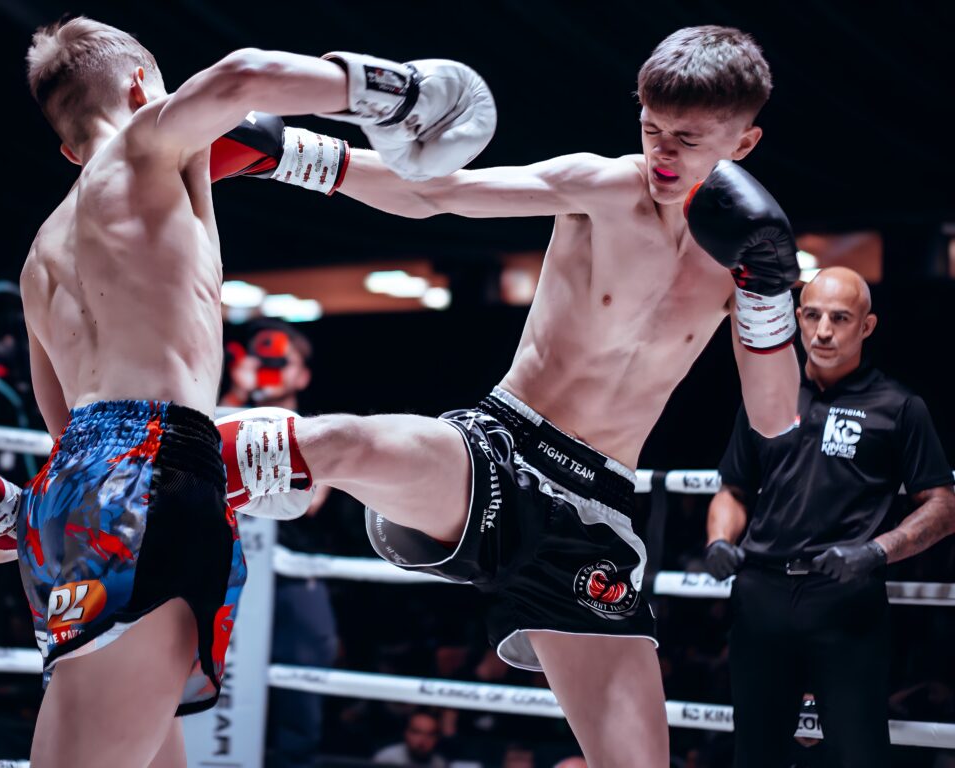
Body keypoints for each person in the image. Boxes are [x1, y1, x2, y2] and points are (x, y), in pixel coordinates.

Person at [216, 25, 802, 767]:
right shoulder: (604, 185)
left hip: (595, 512)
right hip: (501, 449)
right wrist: (290, 156)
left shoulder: (748, 258)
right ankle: (141, 480)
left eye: (687, 140)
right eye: (652, 128)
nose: (662, 153)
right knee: (337, 442)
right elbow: (439, 195)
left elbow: (773, 417)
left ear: (744, 143)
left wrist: (768, 294)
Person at [0, 16, 493, 767]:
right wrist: (395, 93)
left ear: (66, 149)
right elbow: (241, 76)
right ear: (144, 89)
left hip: (80, 493)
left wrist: (22, 519)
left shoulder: (38, 257)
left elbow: (65, 429)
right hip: (153, 476)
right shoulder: (142, 146)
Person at [705, 267, 955, 767]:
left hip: (844, 598)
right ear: (797, 318)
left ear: (866, 326)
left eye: (840, 318)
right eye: (813, 316)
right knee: (754, 754)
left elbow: (943, 505)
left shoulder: (899, 406)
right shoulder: (766, 397)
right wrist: (718, 541)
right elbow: (732, 489)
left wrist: (875, 552)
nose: (823, 331)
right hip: (760, 594)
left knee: (859, 754)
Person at [221, 321, 338, 767]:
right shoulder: (222, 418)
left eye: (280, 361)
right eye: (261, 359)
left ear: (302, 375)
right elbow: (197, 461)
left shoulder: (320, 430)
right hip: (227, 572)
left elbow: (309, 502)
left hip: (292, 580)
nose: (269, 368)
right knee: (213, 693)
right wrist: (237, 394)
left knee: (299, 705)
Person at [373, 710, 449, 768]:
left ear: (437, 738)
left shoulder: (439, 764)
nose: (423, 740)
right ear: (406, 733)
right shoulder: (386, 759)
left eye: (430, 734)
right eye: (417, 732)